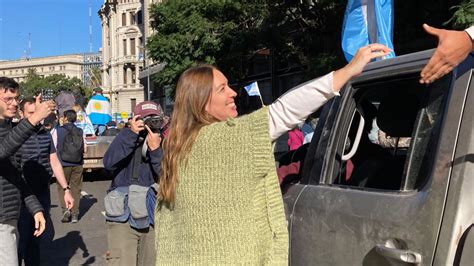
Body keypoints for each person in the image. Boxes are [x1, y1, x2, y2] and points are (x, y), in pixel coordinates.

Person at [155, 44, 391, 264]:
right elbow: (284, 112)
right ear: (202, 102)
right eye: (222, 89)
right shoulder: (225, 139)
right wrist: (347, 71)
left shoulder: (178, 148)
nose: (233, 93)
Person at [15, 97, 75, 265]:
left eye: (38, 112)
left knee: (36, 241)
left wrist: (66, 189)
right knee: (20, 242)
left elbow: (54, 162)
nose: (36, 117)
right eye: (31, 113)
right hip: (22, 195)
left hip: (42, 193)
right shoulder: (15, 135)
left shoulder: (45, 133)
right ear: (21, 113)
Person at [0, 77, 53, 265]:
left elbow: (16, 176)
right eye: (8, 99)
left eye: (16, 98)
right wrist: (33, 118)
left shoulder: (8, 129)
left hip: (9, 216)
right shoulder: (11, 133)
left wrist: (35, 208)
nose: (14, 103)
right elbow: (2, 150)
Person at [103, 101, 162, 265]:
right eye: (144, 119)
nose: (149, 123)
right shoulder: (125, 137)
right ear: (133, 120)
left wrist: (156, 150)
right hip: (122, 217)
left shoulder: (165, 142)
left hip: (152, 217)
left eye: (153, 119)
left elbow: (169, 178)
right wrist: (130, 134)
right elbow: (108, 163)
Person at [56, 110, 85, 223]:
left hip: (62, 163)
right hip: (77, 163)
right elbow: (84, 148)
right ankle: (75, 214)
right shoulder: (79, 131)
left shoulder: (58, 131)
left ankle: (65, 209)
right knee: (76, 188)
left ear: (65, 118)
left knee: (63, 187)